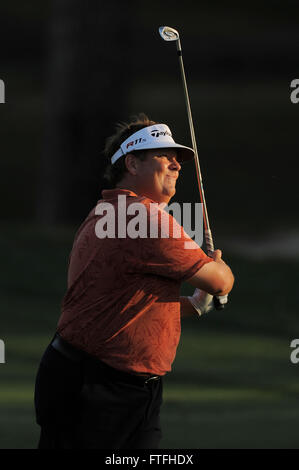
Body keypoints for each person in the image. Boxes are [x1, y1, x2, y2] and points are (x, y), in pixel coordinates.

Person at [34, 113, 234, 449]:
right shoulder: (143, 218)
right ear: (132, 163)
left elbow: (123, 306)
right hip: (102, 388)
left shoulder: (105, 211)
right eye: (164, 155)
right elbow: (219, 282)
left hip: (93, 380)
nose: (176, 165)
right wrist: (221, 268)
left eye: (178, 159)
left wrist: (194, 306)